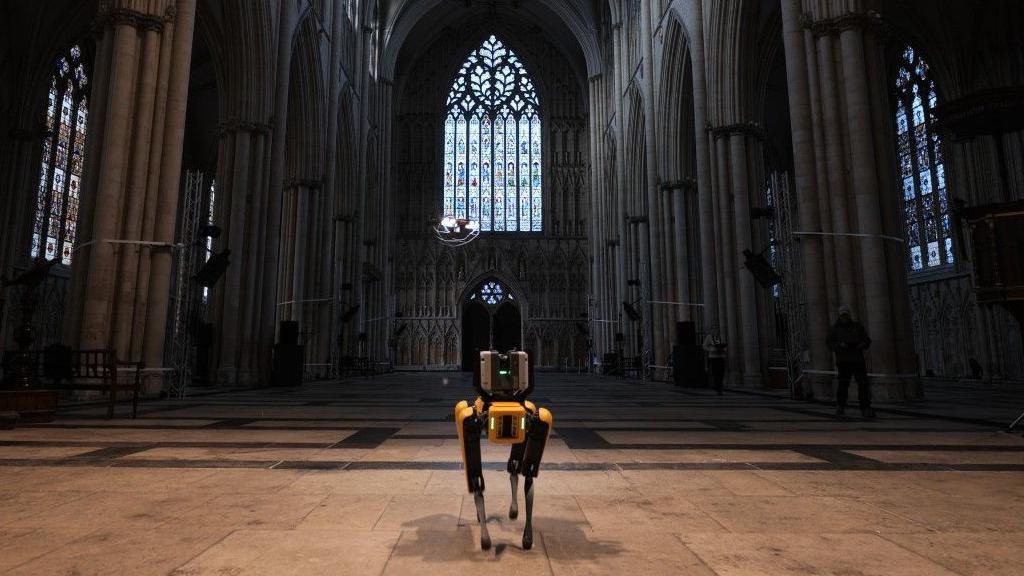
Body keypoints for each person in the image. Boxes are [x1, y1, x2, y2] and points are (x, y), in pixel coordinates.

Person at [826, 305, 875, 418]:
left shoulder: (857, 327)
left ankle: (865, 407)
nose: (844, 317)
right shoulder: (835, 329)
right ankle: (840, 406)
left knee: (863, 384)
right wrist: (840, 345)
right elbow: (829, 343)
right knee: (843, 385)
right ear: (839, 315)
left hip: (857, 359)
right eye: (842, 315)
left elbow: (866, 340)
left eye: (846, 315)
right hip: (843, 360)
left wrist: (861, 344)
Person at [703, 325, 727, 395]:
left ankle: (720, 386)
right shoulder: (709, 337)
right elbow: (704, 346)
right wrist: (711, 349)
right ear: (711, 330)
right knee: (715, 373)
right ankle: (718, 388)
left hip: (721, 356)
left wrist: (723, 350)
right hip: (713, 357)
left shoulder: (721, 337)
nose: (715, 330)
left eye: (716, 328)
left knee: (721, 373)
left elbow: (725, 345)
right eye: (714, 328)